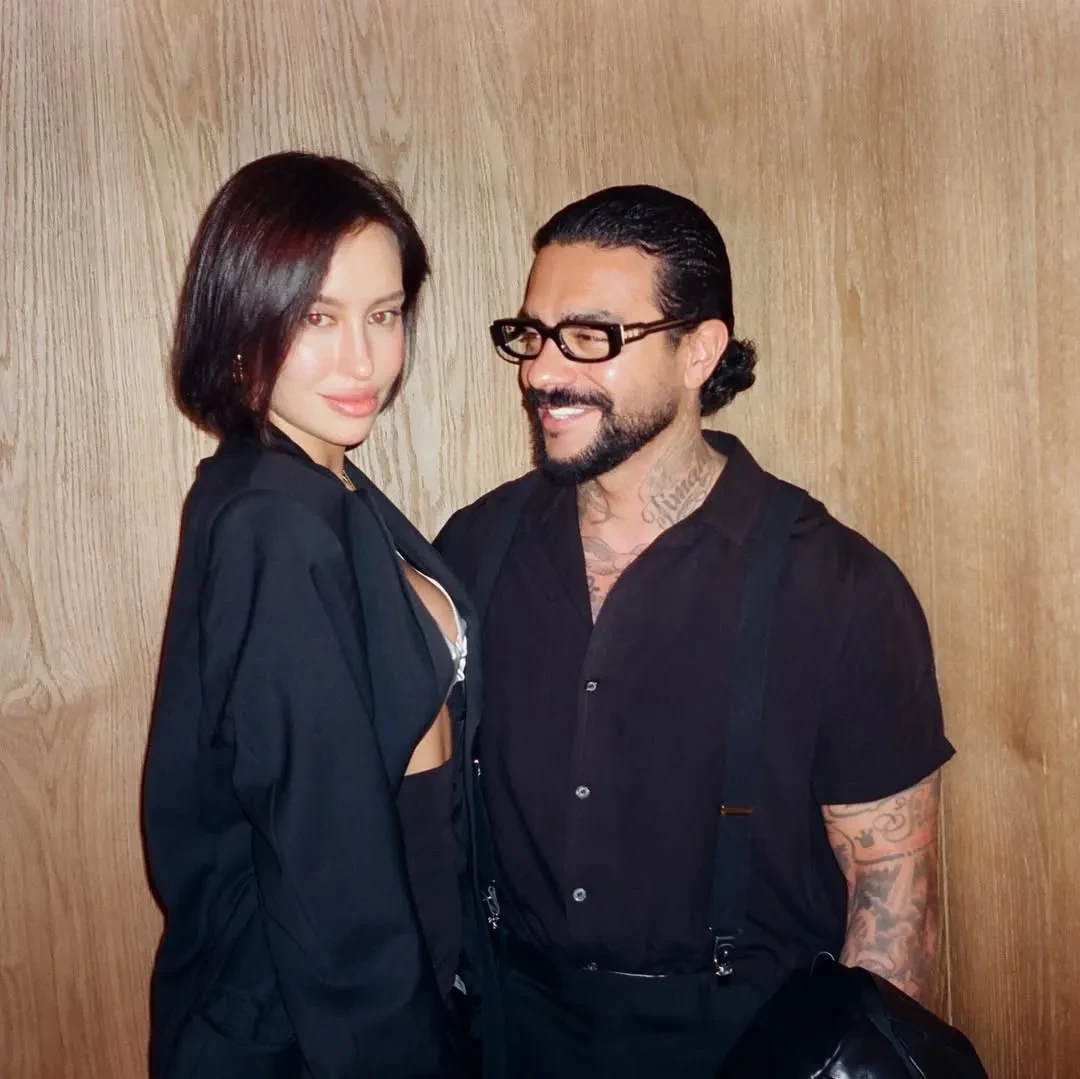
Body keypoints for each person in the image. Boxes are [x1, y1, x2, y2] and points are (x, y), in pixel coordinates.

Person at [434, 185, 955, 1078]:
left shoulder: (841, 590)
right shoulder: (475, 550)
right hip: (515, 1036)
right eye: (533, 334)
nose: (541, 372)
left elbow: (892, 902)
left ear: (699, 350)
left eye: (589, 336)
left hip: (750, 1047)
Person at [142, 151, 477, 1078]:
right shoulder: (273, 519)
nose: (362, 360)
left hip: (380, 988)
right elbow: (328, 861)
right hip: (317, 1028)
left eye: (384, 315)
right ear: (242, 319)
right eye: (316, 317)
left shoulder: (326, 486)